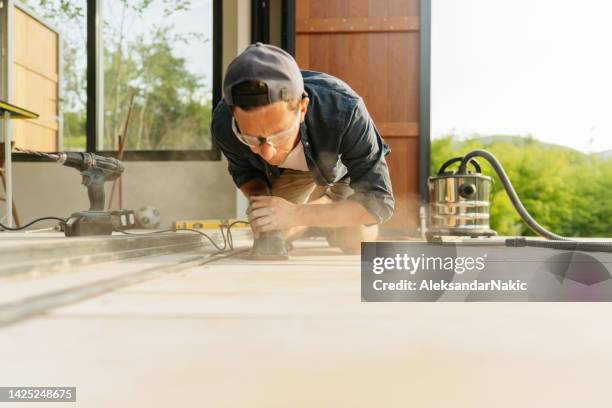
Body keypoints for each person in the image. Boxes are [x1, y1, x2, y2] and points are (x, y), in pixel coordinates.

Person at [211, 43, 394, 258]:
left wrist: (297, 213)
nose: (267, 154)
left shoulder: (344, 108)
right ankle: (318, 211)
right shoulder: (224, 123)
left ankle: (328, 202)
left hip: (343, 172)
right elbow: (246, 173)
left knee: (353, 240)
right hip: (295, 175)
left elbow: (379, 202)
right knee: (272, 235)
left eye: (279, 135)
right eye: (251, 139)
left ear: (302, 108)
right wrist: (263, 206)